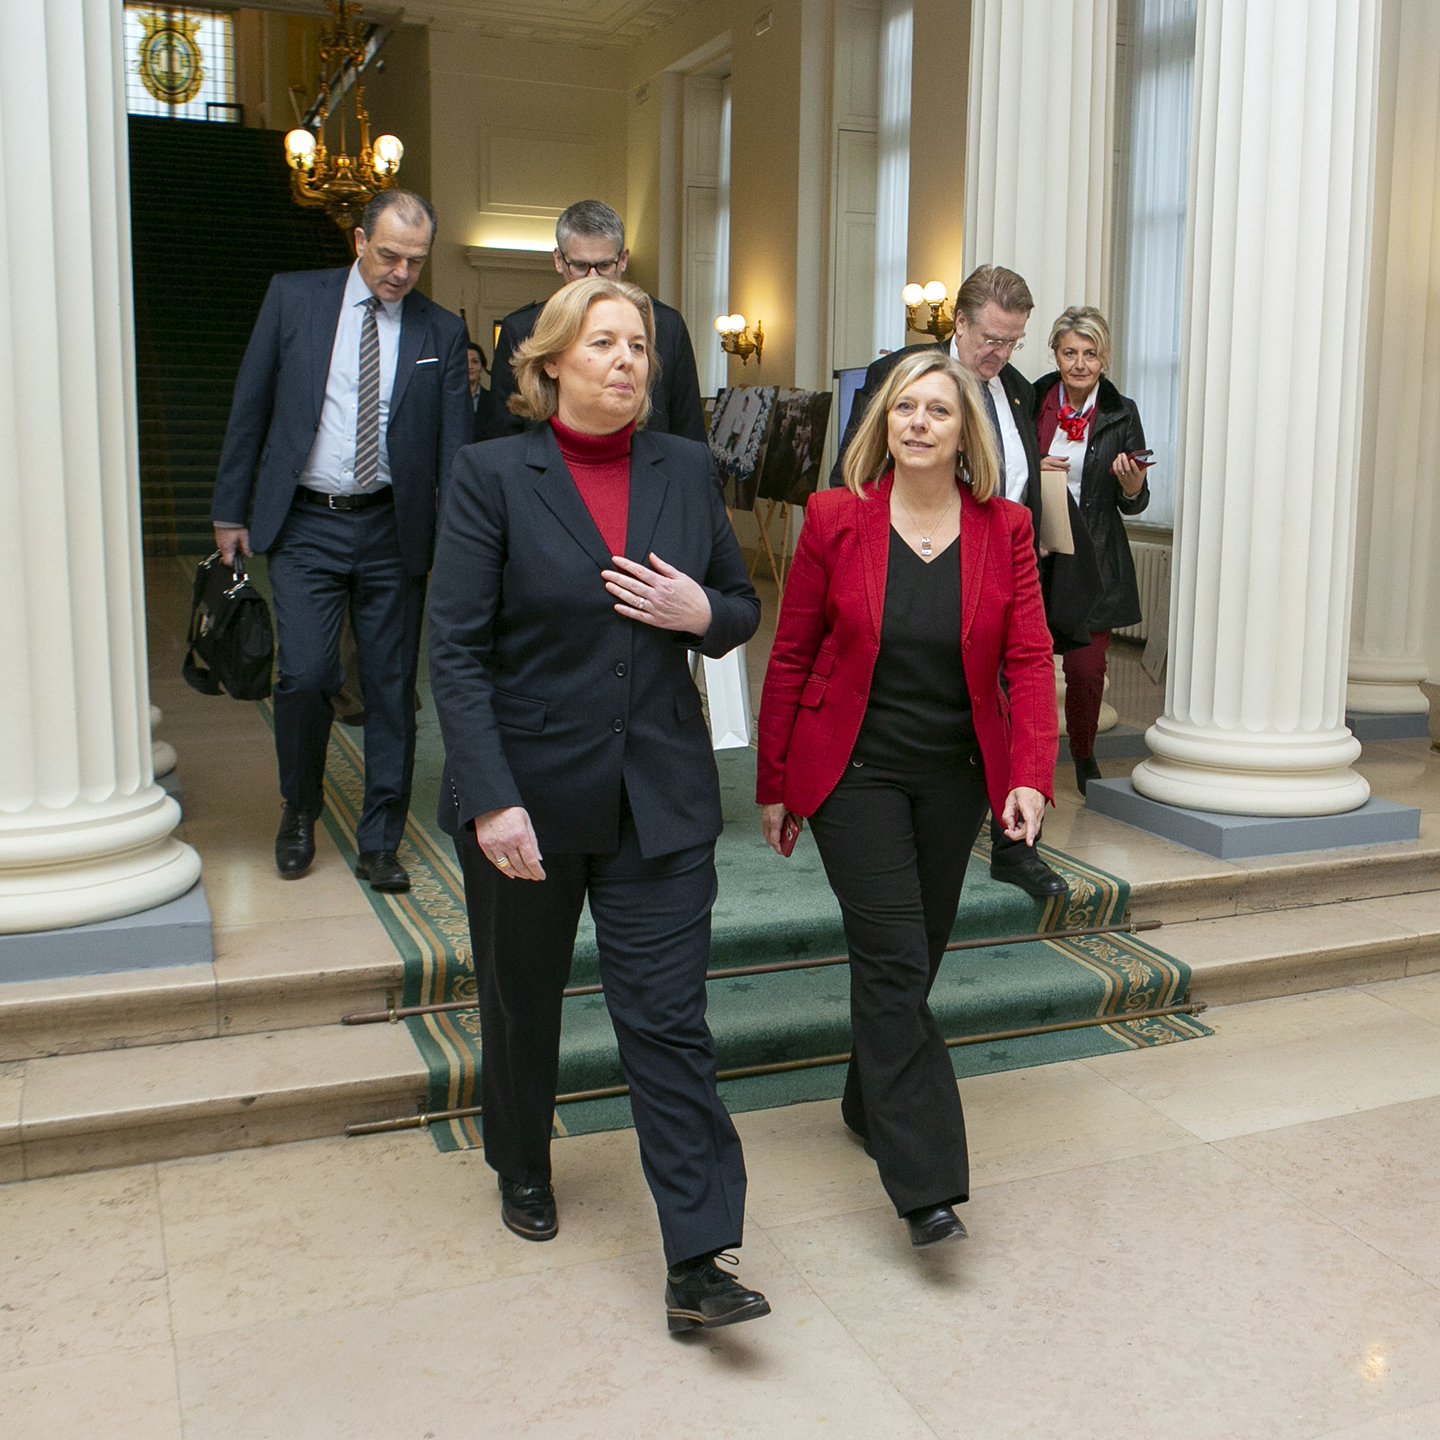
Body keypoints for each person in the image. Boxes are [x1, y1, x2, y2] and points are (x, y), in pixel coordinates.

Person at [427, 277, 768, 1332]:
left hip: (659, 796)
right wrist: (491, 801)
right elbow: (457, 649)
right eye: (604, 343)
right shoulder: (491, 475)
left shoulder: (683, 466)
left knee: (668, 1022)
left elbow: (738, 606)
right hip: (526, 798)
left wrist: (701, 608)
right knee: (524, 1002)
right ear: (552, 363)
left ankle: (700, 1255)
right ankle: (522, 1163)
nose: (628, 360)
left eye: (638, 347)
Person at [757, 349, 1056, 1248]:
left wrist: (1030, 777)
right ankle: (925, 1182)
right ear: (883, 425)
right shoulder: (835, 519)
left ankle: (864, 1099)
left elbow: (1029, 660)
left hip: (956, 776)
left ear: (967, 433)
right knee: (891, 955)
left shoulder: (1003, 529)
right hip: (854, 772)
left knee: (915, 952)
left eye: (938, 410)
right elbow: (793, 653)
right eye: (903, 409)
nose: (918, 422)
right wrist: (776, 782)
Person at [211, 190, 470, 890]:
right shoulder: (293, 300)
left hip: (393, 528)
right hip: (306, 523)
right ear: (359, 240)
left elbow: (455, 448)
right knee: (305, 675)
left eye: (416, 261)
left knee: (391, 689)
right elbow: (251, 405)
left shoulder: (439, 331)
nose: (400, 273)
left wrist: (460, 544)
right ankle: (299, 808)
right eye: (389, 255)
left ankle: (380, 839)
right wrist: (230, 510)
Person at [830, 265, 1072, 900]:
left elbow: (1015, 489)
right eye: (991, 338)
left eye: (1013, 341)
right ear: (958, 322)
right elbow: (849, 475)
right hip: (911, 575)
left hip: (1003, 575)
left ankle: (1017, 844)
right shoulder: (900, 377)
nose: (999, 353)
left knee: (1012, 705)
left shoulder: (1016, 390)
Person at [1033, 307, 1150, 795]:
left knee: (1085, 670)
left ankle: (1082, 754)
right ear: (1055, 354)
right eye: (1070, 353)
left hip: (1095, 553)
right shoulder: (1033, 396)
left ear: (1103, 359)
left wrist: (1132, 485)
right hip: (1036, 552)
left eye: (1090, 354)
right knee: (1027, 664)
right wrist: (1035, 463)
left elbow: (1136, 502)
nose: (1080, 363)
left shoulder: (1122, 411)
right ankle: (1027, 758)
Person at [477, 200, 707, 444]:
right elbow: (503, 435)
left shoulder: (666, 326)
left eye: (605, 265)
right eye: (579, 266)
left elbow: (689, 428)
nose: (592, 278)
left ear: (623, 259)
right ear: (558, 260)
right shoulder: (524, 329)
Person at [466, 340, 489, 439]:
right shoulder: (450, 400)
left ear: (482, 367)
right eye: (465, 362)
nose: (470, 367)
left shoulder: (492, 400)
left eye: (475, 361)